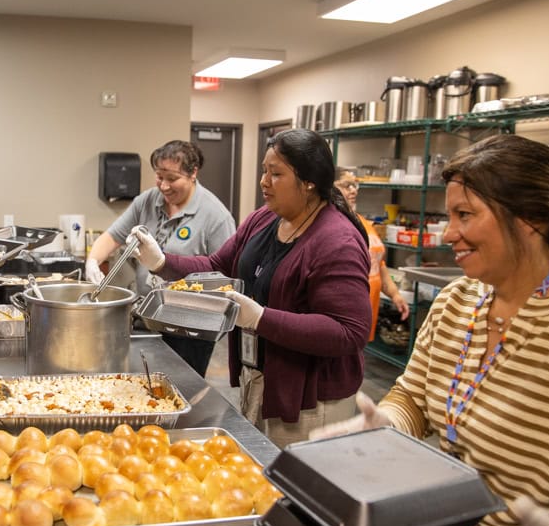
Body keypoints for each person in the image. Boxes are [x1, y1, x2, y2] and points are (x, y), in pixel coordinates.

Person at [312, 135, 549, 526]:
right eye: (448, 215)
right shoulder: (457, 303)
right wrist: (385, 425)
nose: (447, 233)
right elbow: (412, 396)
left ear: (529, 219)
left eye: (465, 215)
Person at [130, 129, 372, 446]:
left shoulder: (336, 240)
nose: (264, 182)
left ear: (309, 182)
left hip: (310, 402)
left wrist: (261, 319)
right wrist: (161, 262)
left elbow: (349, 331)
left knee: (292, 489)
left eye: (276, 174)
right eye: (264, 171)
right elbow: (218, 264)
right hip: (260, 381)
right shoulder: (264, 220)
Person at [85, 140, 236, 376]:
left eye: (172, 179)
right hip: (146, 319)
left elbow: (226, 276)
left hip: (189, 328)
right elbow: (113, 236)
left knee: (182, 390)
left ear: (193, 173)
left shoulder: (216, 216)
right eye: (159, 177)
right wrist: (92, 261)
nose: (164, 186)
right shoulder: (147, 201)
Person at [333, 171, 409, 341]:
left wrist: (395, 295)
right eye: (347, 185)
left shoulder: (362, 223)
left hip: (366, 319)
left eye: (355, 185)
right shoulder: (334, 224)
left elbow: (378, 264)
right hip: (345, 320)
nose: (354, 190)